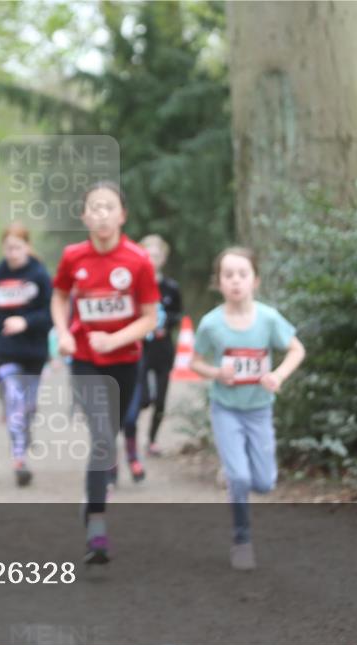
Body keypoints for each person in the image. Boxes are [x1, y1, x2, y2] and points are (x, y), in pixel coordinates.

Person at [51, 181, 160, 565]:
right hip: (83, 360)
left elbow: (150, 318)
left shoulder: (138, 260)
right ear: (84, 216)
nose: (101, 214)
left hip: (125, 361)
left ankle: (93, 501)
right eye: (93, 208)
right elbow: (60, 295)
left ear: (122, 215)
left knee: (108, 434)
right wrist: (64, 332)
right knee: (100, 435)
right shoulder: (72, 257)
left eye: (108, 207)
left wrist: (114, 340)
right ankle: (97, 526)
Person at [189, 246, 305, 570]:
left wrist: (278, 374)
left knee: (265, 483)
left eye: (243, 274)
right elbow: (194, 362)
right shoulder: (211, 324)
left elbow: (296, 349)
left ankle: (233, 470)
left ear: (255, 280)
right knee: (240, 479)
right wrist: (216, 373)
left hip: (259, 409)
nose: (236, 281)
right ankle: (242, 540)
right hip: (225, 408)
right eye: (228, 275)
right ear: (219, 282)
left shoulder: (268, 319)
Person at [0, 222, 52, 486]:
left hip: (34, 350)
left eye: (17, 247)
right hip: (5, 349)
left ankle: (25, 431)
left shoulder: (39, 274)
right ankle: (19, 459)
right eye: (8, 248)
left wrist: (25, 322)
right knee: (13, 399)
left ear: (27, 246)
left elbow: (50, 313)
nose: (13, 253)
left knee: (27, 406)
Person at [122, 235, 183, 466]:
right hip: (140, 349)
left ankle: (152, 440)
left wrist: (165, 326)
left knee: (161, 398)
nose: (152, 259)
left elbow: (177, 314)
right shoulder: (132, 286)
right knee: (142, 398)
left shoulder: (170, 287)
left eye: (156, 255)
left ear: (163, 259)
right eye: (147, 254)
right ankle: (131, 439)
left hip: (163, 348)